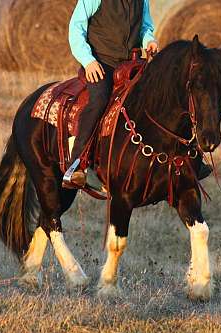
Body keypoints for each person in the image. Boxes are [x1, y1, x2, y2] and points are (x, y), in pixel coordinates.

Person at [64, 0, 159, 190]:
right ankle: (76, 165)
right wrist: (88, 61)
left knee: (160, 95)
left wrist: (150, 40)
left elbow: (146, 27)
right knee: (99, 101)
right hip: (100, 62)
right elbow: (76, 28)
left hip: (131, 64)